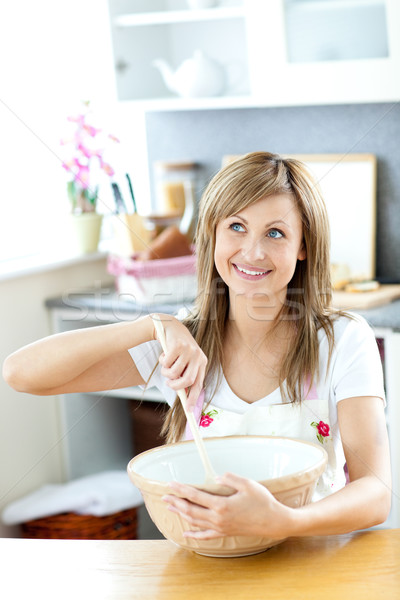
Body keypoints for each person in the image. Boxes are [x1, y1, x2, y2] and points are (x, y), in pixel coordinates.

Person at [3, 152, 391, 543]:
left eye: (275, 233)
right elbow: (21, 373)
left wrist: (285, 522)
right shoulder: (182, 345)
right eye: (237, 226)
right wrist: (154, 325)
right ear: (213, 233)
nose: (253, 252)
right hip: (207, 567)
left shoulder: (342, 339)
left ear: (303, 246)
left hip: (310, 560)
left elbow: (375, 495)